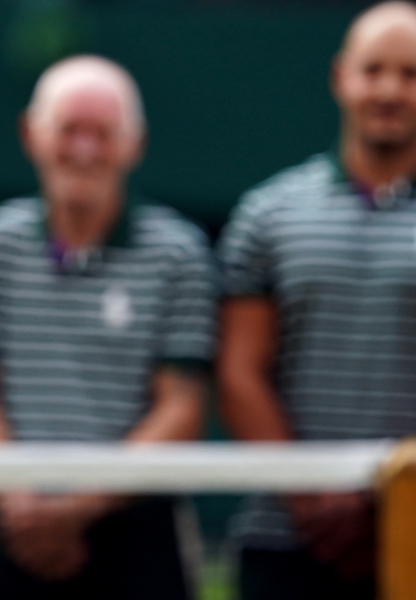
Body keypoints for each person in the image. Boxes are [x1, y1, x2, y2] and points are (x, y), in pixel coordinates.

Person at [0, 55, 217, 600]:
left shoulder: (178, 253)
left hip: (138, 531)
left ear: (134, 144)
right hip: (11, 520)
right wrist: (21, 498)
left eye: (104, 133)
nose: (84, 149)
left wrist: (73, 508)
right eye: (70, 129)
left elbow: (182, 407)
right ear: (32, 134)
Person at [217, 3, 416, 598]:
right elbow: (238, 373)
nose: (389, 89)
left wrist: (396, 498)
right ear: (340, 77)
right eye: (373, 69)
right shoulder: (268, 213)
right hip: (285, 538)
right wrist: (313, 496)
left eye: (410, 74)